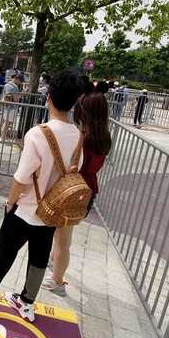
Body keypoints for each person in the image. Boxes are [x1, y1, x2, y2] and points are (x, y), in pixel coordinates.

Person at [0, 71, 84, 321]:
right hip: (53, 211)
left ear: (48, 98)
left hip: (25, 209)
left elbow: (22, 178)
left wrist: (10, 202)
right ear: (75, 101)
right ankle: (26, 303)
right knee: (38, 258)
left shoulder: (38, 133)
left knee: (3, 253)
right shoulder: (79, 137)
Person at [43, 92, 111, 297]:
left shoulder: (83, 137)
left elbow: (73, 167)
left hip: (72, 191)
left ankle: (57, 281)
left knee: (63, 240)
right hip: (87, 191)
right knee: (62, 236)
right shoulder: (104, 137)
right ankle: (55, 265)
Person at [0, 72, 24, 143]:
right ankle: (3, 139)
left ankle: (3, 138)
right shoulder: (14, 87)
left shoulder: (7, 84)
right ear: (17, 79)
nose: (20, 83)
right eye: (20, 81)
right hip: (11, 107)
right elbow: (16, 99)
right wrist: (23, 93)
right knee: (7, 123)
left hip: (6, 106)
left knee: (6, 123)